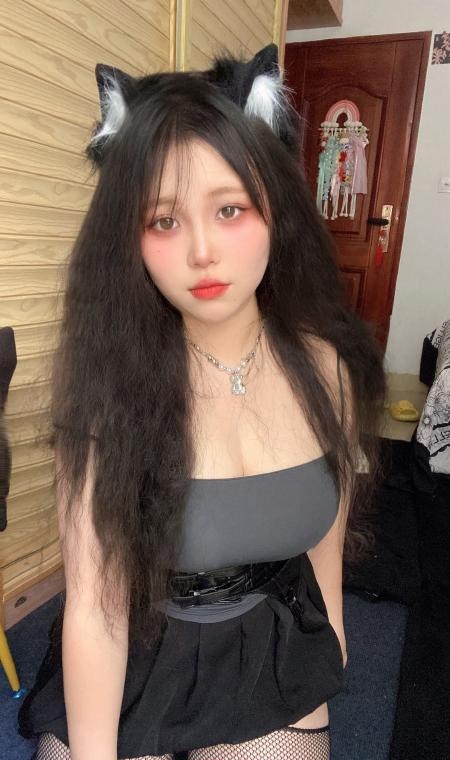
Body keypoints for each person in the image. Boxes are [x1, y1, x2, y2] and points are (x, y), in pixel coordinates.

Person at [18, 44, 386, 760]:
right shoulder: (107, 388)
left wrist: (327, 662)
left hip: (268, 649)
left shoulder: (328, 370)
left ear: (275, 208)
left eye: (229, 209)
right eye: (164, 221)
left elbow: (324, 555)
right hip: (130, 657)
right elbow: (95, 609)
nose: (201, 252)